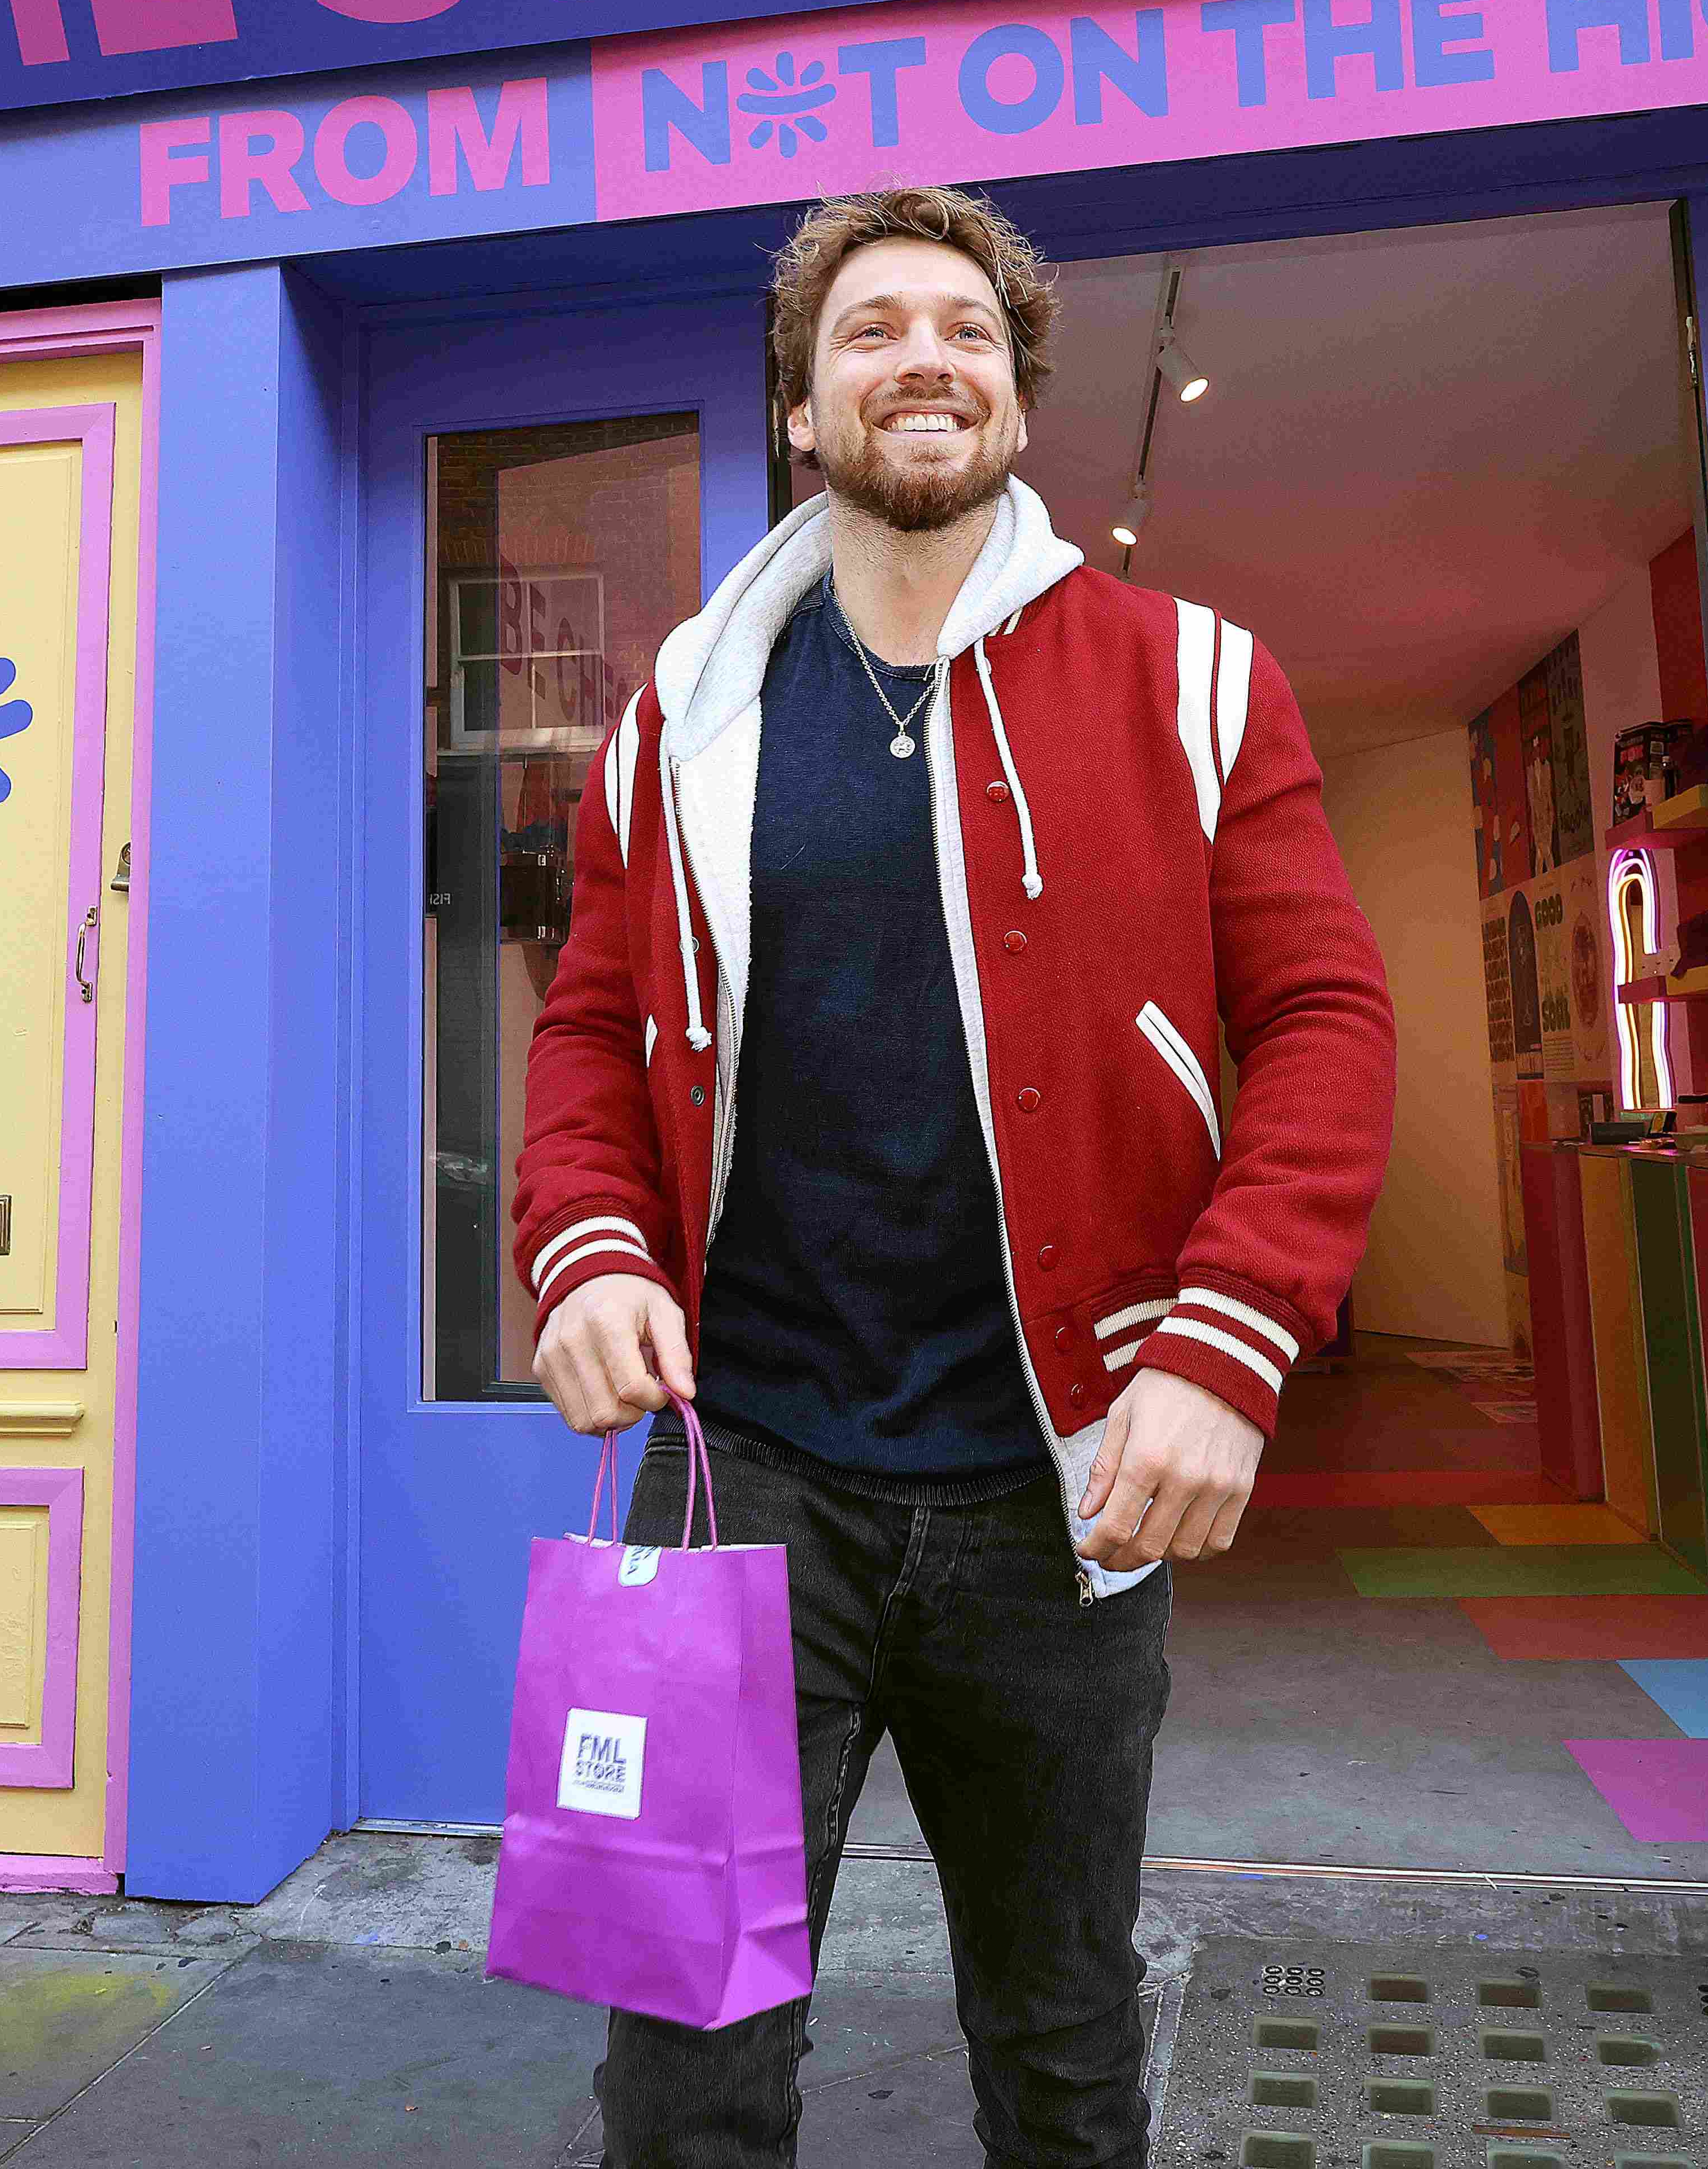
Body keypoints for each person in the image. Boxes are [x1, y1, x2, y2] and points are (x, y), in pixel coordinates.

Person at [513, 182, 1398, 2168]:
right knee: (680, 2065)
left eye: (966, 331)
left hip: (1059, 1482)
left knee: (1062, 2047)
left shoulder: (1193, 677)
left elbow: (1325, 1021)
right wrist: (586, 1251)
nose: (924, 357)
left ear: (1015, 396)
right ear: (800, 408)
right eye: (871, 329)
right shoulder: (678, 715)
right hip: (740, 1477)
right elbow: (586, 1031)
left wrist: (1228, 1343)